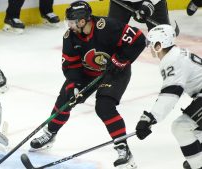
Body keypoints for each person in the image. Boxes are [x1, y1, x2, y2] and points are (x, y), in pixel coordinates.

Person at [29, 1, 146, 168]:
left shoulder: (107, 27)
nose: (69, 25)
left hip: (114, 72)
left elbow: (139, 39)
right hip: (87, 74)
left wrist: (121, 60)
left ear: (82, 21)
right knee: (66, 99)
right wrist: (74, 85)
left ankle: (123, 149)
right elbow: (71, 66)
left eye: (71, 22)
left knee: (104, 106)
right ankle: (50, 133)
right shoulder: (70, 37)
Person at [135, 24, 202, 169]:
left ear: (159, 45)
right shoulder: (177, 54)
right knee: (196, 133)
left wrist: (150, 118)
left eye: (151, 43)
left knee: (181, 127)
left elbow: (171, 93)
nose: (149, 47)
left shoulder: (172, 59)